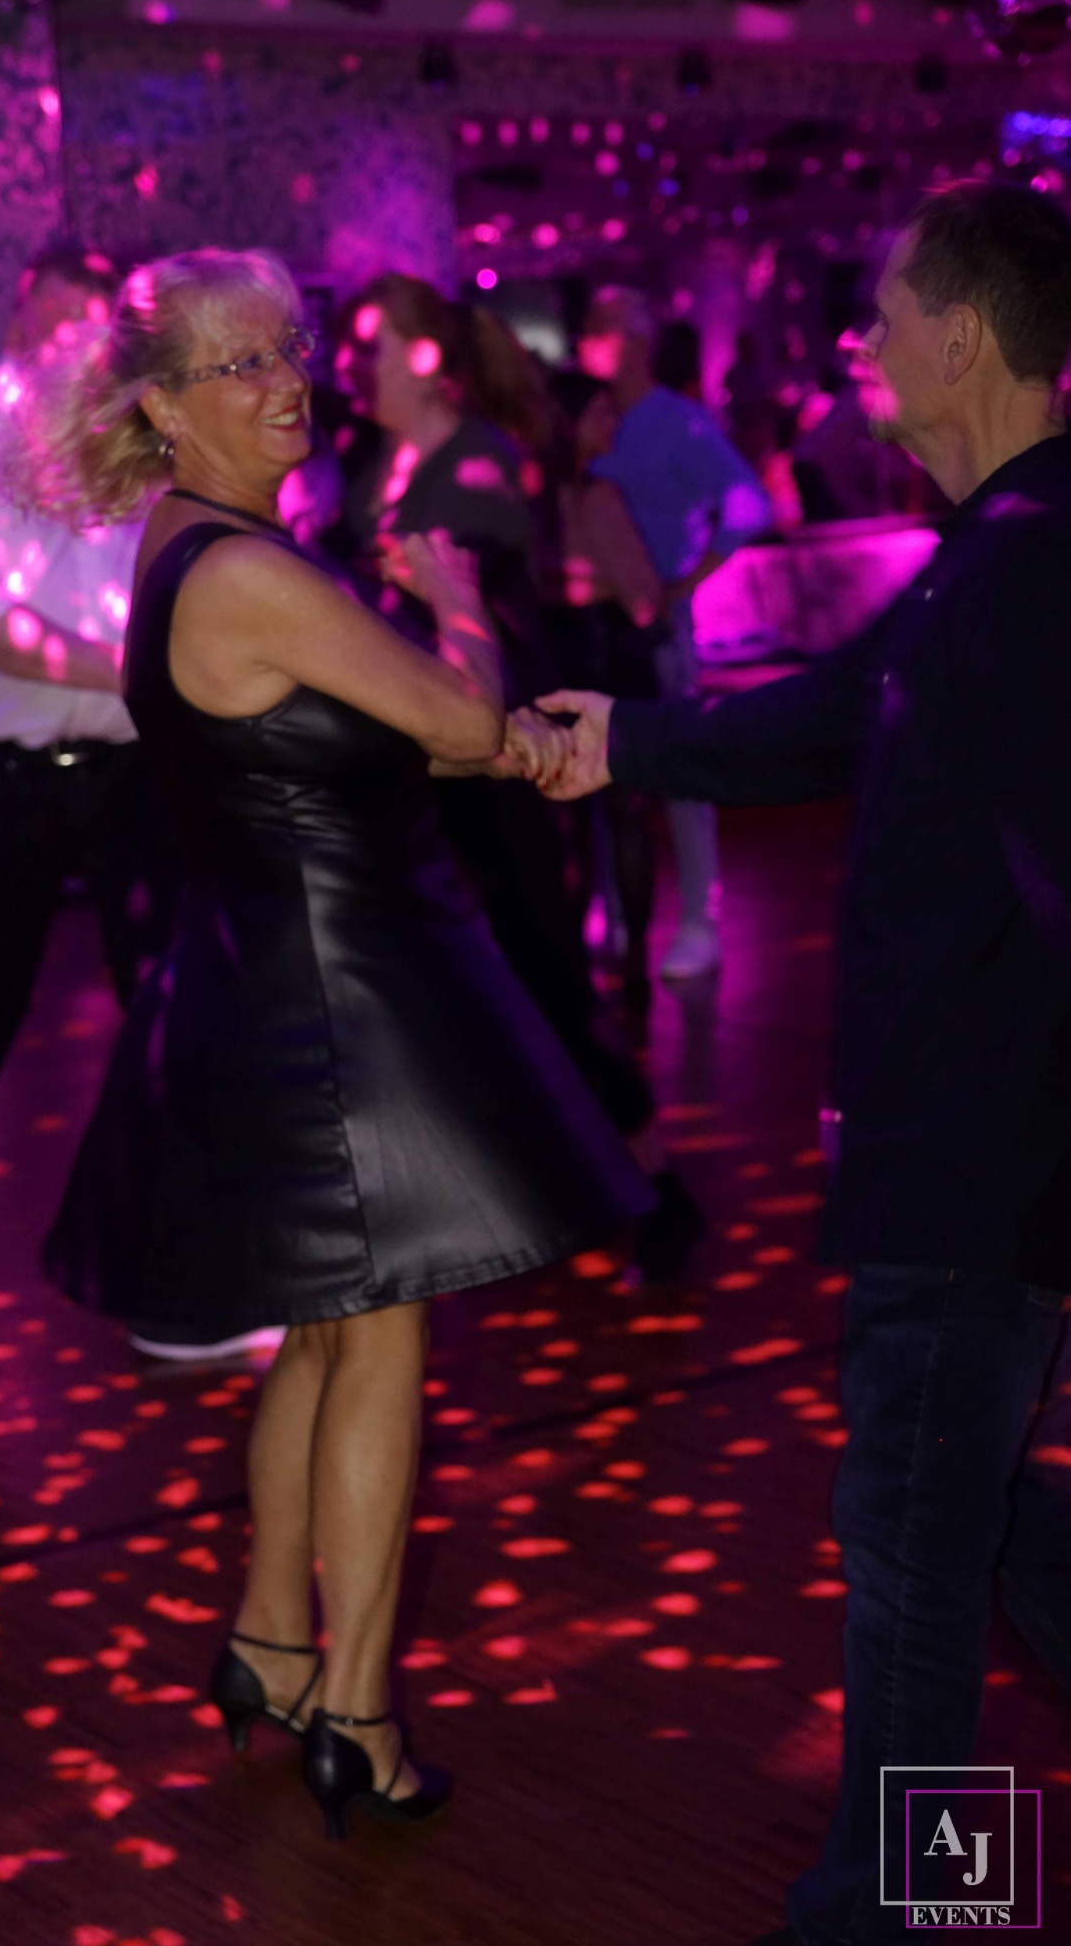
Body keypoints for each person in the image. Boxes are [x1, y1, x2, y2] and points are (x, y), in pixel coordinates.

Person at [0, 247, 656, 1837]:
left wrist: (478, 704)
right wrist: (461, 615)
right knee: (380, 1339)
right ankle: (357, 1711)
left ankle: (271, 1642)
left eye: (287, 349)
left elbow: (392, 736)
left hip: (285, 982)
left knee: (324, 1334)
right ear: (163, 407)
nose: (286, 382)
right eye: (240, 364)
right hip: (341, 998)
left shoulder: (193, 544)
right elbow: (454, 725)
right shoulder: (243, 571)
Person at [522, 181, 1071, 1946]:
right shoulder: (1000, 548)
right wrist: (626, 741)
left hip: (983, 1145)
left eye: (882, 314)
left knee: (913, 1548)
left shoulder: (1034, 565)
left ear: (960, 342)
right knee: (953, 1512)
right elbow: (833, 714)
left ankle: (907, 1920)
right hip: (963, 1136)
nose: (859, 343)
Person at [0, 247, 272, 1363]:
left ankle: (183, 1269)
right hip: (7, 774)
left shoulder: (136, 431)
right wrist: (134, 669)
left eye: (93, 324)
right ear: (20, 319)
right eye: (56, 317)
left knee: (166, 1008)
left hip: (132, 770)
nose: (73, 341)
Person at [332, 275, 702, 1277]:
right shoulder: (371, 459)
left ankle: (658, 1187)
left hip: (496, 758)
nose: (354, 363)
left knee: (541, 971)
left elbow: (455, 606)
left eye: (373, 343)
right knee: (451, 984)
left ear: (426, 360)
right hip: (418, 764)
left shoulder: (479, 459)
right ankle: (535, 1190)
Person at [579, 285, 773, 980]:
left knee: (679, 766)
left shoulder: (680, 423)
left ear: (634, 341)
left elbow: (749, 505)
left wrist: (683, 585)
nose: (587, 337)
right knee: (597, 761)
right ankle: (610, 907)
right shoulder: (594, 419)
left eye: (602, 325)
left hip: (658, 624)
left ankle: (699, 918)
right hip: (600, 622)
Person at [538, 368, 666, 1007]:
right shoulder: (598, 497)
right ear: (572, 424)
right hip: (609, 659)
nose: (612, 424)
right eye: (601, 413)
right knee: (627, 814)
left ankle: (570, 968)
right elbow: (641, 598)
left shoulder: (533, 495)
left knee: (566, 822)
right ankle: (635, 960)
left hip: (550, 661)